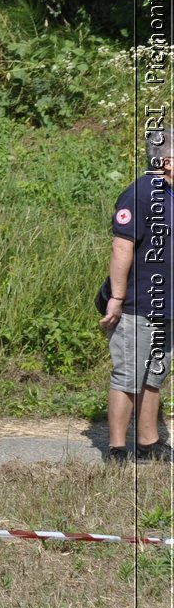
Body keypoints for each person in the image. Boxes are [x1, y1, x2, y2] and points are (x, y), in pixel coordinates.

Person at [99, 130, 172, 464]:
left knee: (153, 375)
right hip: (137, 305)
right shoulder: (139, 194)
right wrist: (116, 297)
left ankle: (149, 442)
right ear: (168, 161)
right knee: (129, 376)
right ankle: (117, 448)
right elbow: (122, 246)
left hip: (165, 306)